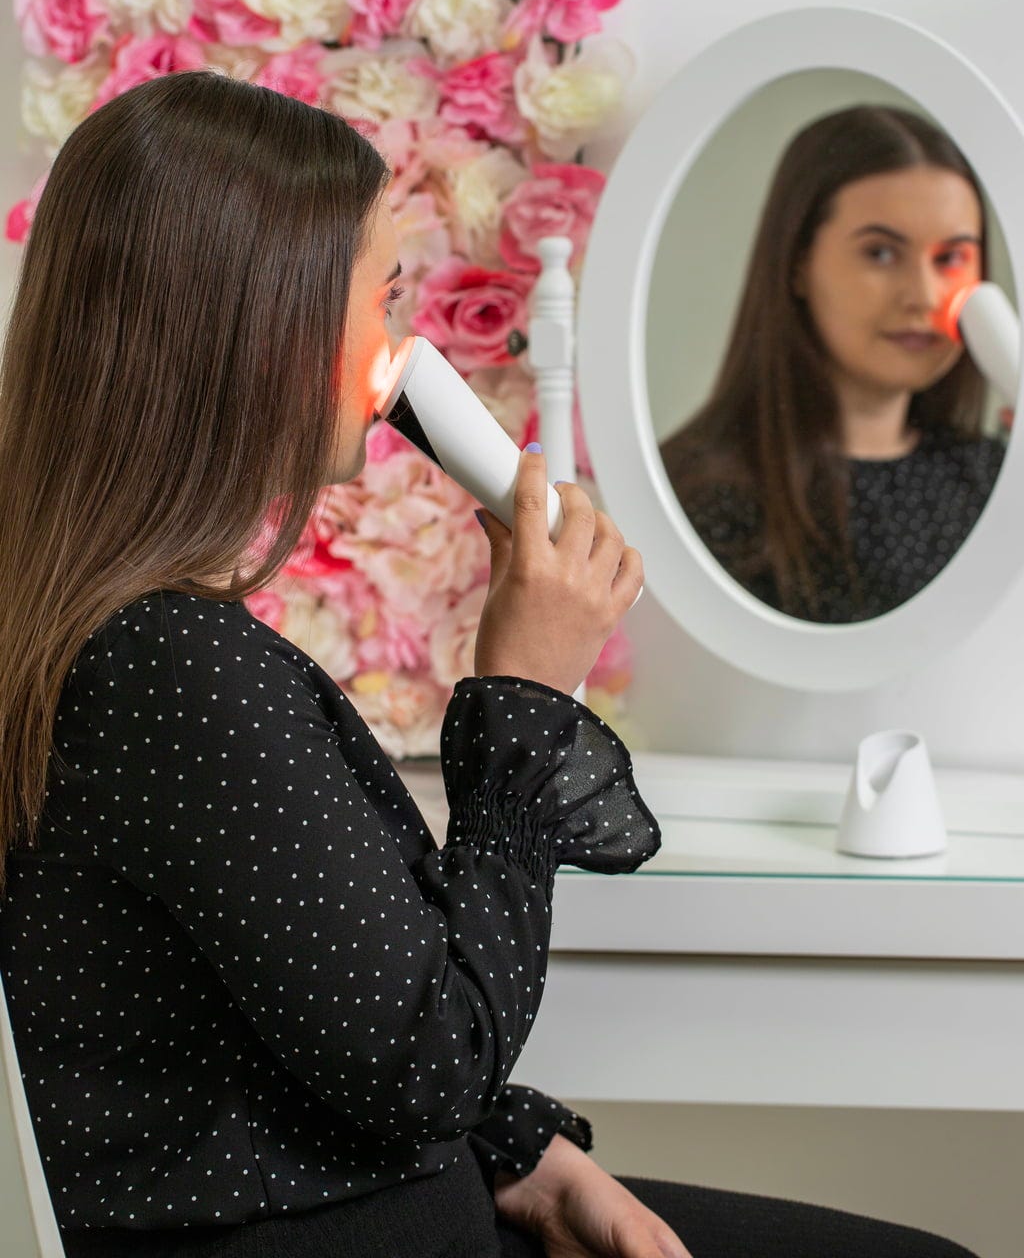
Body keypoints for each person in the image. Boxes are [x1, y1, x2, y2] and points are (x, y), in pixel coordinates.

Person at [0, 72, 977, 1258]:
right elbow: (429, 1064)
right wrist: (526, 691)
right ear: (267, 327)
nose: (401, 347)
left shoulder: (116, 642)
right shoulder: (174, 671)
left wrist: (524, 1156)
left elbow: (304, 1019)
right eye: (383, 298)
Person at [659, 105, 1008, 622]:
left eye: (951, 258)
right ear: (798, 264)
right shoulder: (701, 494)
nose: (924, 296)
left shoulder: (993, 477)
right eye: (881, 254)